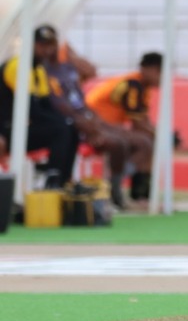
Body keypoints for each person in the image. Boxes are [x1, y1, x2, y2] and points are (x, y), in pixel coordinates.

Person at [43, 27, 153, 209]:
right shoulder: (45, 71)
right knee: (127, 142)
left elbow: (89, 73)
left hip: (89, 119)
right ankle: (112, 188)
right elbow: (61, 105)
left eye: (54, 45)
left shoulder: (67, 69)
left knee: (138, 141)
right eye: (46, 45)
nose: (50, 50)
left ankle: (115, 187)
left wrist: (69, 52)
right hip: (71, 124)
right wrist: (90, 126)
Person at [1, 25, 79, 188]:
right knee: (60, 129)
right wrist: (61, 123)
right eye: (42, 45)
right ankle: (53, 179)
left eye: (50, 46)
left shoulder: (38, 69)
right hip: (6, 130)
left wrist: (68, 121)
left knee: (71, 128)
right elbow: (31, 109)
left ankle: (64, 180)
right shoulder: (18, 66)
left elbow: (46, 105)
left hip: (19, 129)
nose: (47, 50)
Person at [85, 52, 163, 206]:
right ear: (150, 69)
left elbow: (142, 119)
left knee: (147, 141)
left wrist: (156, 134)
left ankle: (138, 193)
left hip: (109, 126)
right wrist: (158, 135)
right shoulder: (133, 85)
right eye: (161, 73)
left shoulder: (141, 86)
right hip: (95, 125)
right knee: (144, 143)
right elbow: (137, 123)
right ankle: (118, 184)